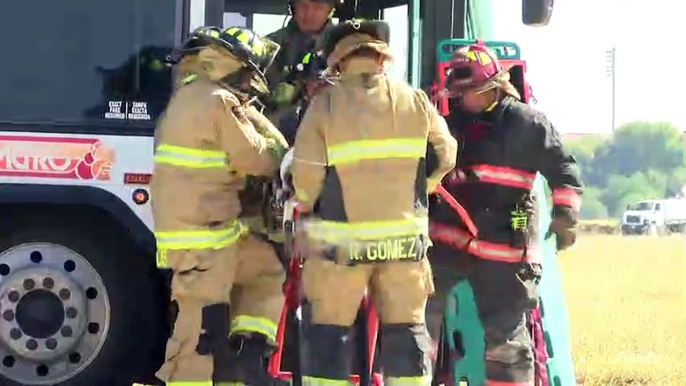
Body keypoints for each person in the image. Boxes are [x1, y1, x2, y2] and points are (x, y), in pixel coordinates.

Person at [290, 19, 458, 385]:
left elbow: (306, 177)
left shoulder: (326, 105)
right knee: (405, 330)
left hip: (339, 243)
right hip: (403, 240)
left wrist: (304, 205)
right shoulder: (415, 101)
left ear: (339, 62)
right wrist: (419, 189)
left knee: (327, 333)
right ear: (382, 58)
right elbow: (445, 154)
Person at [426, 42, 584, 386]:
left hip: (505, 250)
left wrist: (565, 217)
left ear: (491, 86)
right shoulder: (448, 126)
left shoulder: (528, 124)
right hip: (450, 243)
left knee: (506, 344)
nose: (461, 100)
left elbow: (564, 171)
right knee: (420, 323)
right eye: (458, 94)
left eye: (467, 93)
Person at [151, 25, 289, 385]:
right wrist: (280, 151)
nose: (248, 85)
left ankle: (245, 360)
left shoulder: (188, 96)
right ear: (236, 67)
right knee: (199, 324)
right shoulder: (218, 101)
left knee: (264, 270)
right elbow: (257, 158)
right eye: (247, 76)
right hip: (203, 238)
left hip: (211, 230)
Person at [264, 0, 340, 116]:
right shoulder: (269, 46)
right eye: (303, 6)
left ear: (331, 9)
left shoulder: (345, 47)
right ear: (293, 7)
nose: (309, 14)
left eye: (318, 8)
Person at [276, 49, 335, 145]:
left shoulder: (347, 114)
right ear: (305, 85)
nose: (319, 88)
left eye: (325, 84)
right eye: (315, 82)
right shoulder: (291, 121)